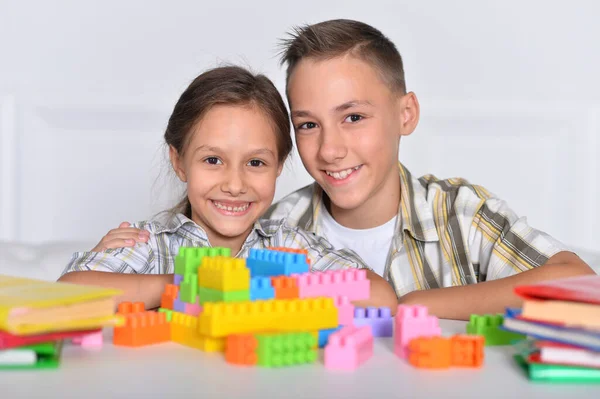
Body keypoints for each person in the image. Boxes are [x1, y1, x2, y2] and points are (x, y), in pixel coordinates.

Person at [90, 20, 595, 320]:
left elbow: (578, 284)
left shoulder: (457, 213)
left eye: (353, 117)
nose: (331, 148)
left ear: (405, 114)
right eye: (308, 124)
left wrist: (417, 304)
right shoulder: (277, 232)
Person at [58, 65, 398, 311]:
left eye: (255, 163)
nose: (235, 185)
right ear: (179, 161)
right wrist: (185, 286)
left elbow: (379, 296)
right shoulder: (151, 246)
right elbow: (67, 295)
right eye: (213, 160)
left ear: (278, 166)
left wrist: (264, 287)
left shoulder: (291, 246)